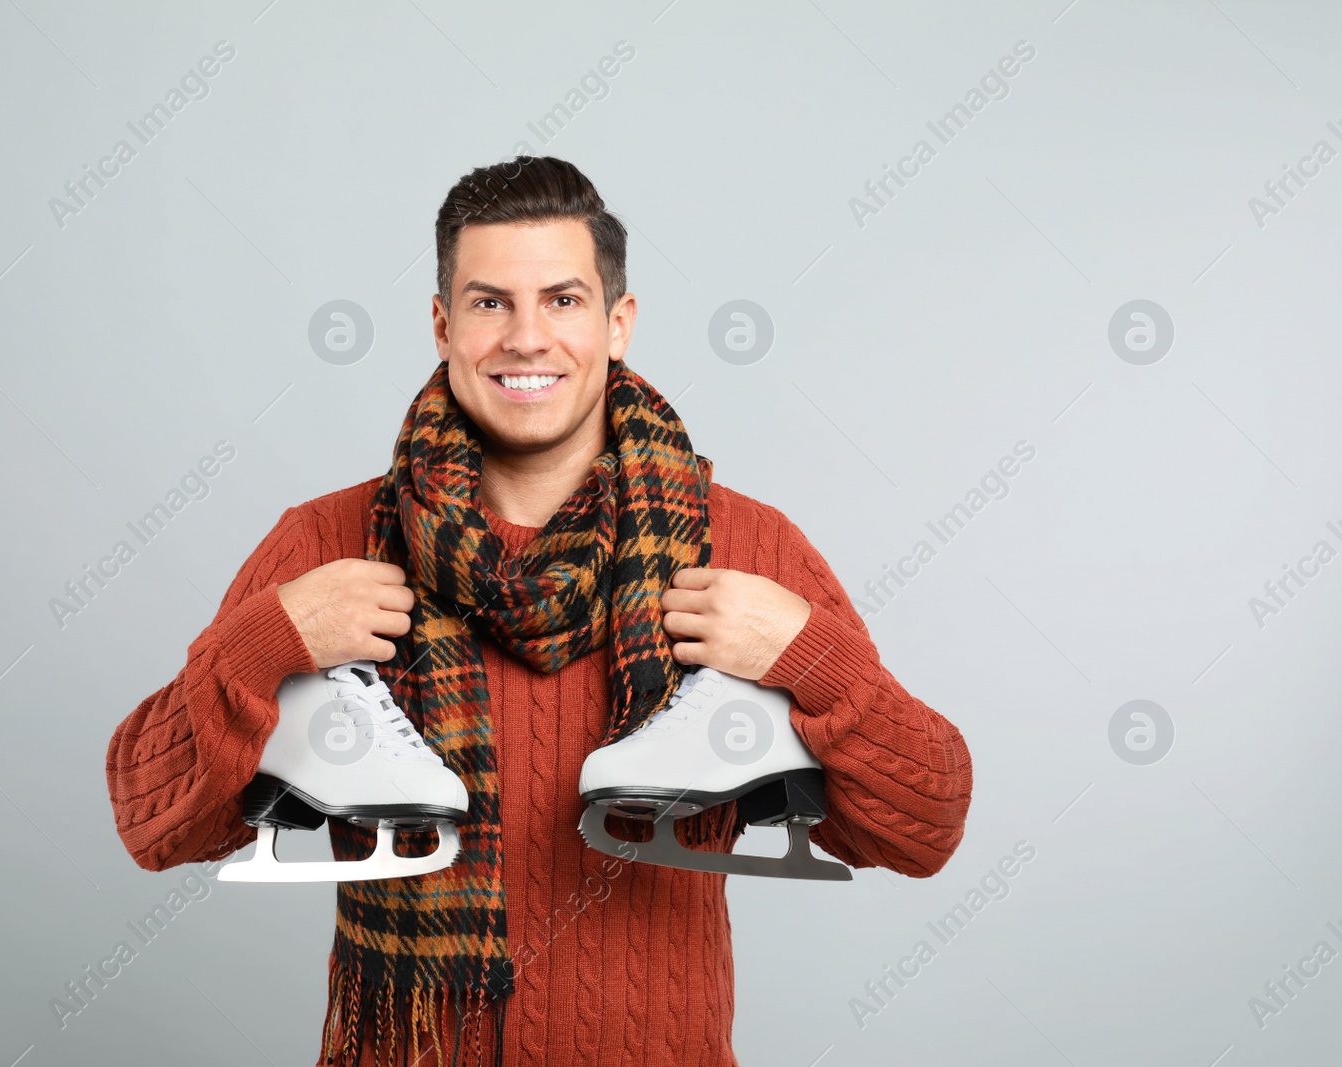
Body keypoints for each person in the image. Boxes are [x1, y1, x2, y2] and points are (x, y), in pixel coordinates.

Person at [106, 155, 973, 1066]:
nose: (526, 338)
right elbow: (152, 822)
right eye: (489, 303)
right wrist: (261, 646)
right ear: (443, 326)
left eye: (562, 300)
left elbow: (925, 823)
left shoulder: (747, 548)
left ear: (618, 323)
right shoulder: (329, 544)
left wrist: (812, 660)